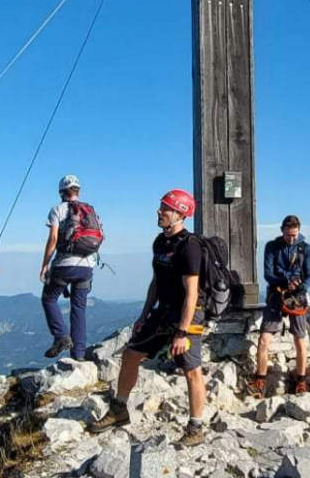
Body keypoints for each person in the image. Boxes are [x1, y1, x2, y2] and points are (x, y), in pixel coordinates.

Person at [87, 188, 210, 447]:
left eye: (165, 208)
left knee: (191, 369)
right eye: (161, 207)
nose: (159, 211)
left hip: (187, 316)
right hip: (163, 311)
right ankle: (120, 409)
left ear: (180, 214)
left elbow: (191, 293)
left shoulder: (190, 247)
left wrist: (183, 331)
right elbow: (156, 282)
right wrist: (144, 315)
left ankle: (196, 427)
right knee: (131, 354)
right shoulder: (160, 242)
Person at [40, 173, 99, 361]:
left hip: (65, 264)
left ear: (61, 193)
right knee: (79, 308)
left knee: (49, 298)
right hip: (88, 265)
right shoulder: (90, 210)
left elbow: (53, 239)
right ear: (78, 191)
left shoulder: (58, 209)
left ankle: (61, 336)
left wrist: (45, 264)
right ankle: (79, 355)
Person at [253, 215, 310, 396]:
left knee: (300, 340)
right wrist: (286, 281)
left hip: (297, 297)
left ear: (299, 231)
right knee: (264, 340)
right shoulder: (272, 247)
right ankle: (260, 380)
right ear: (282, 231)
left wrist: (301, 287)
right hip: (276, 294)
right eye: (288, 235)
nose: (292, 239)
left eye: (294, 235)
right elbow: (268, 274)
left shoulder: (306, 249)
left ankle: (301, 381)